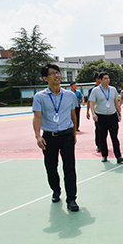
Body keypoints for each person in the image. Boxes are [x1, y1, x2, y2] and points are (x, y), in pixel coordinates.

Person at [32, 64, 79, 211]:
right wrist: (38, 136)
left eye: (57, 73)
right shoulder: (40, 97)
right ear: (45, 78)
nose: (57, 75)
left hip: (66, 135)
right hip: (49, 137)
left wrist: (74, 134)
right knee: (51, 167)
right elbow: (37, 117)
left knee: (69, 167)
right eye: (52, 73)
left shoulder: (70, 95)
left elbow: (73, 115)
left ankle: (71, 199)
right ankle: (56, 190)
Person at [88, 72, 123, 163]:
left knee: (114, 137)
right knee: (102, 137)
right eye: (105, 78)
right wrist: (93, 114)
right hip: (101, 116)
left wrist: (119, 112)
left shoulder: (113, 89)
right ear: (100, 80)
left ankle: (118, 156)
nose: (107, 80)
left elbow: (116, 102)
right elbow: (92, 103)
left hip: (112, 116)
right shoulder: (95, 90)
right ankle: (104, 155)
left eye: (108, 78)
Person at [86, 72, 101, 151]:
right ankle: (99, 145)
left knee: (104, 129)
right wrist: (88, 112)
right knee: (98, 128)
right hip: (96, 113)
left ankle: (103, 144)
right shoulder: (92, 90)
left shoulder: (106, 89)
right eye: (100, 78)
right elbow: (89, 101)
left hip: (105, 112)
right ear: (96, 79)